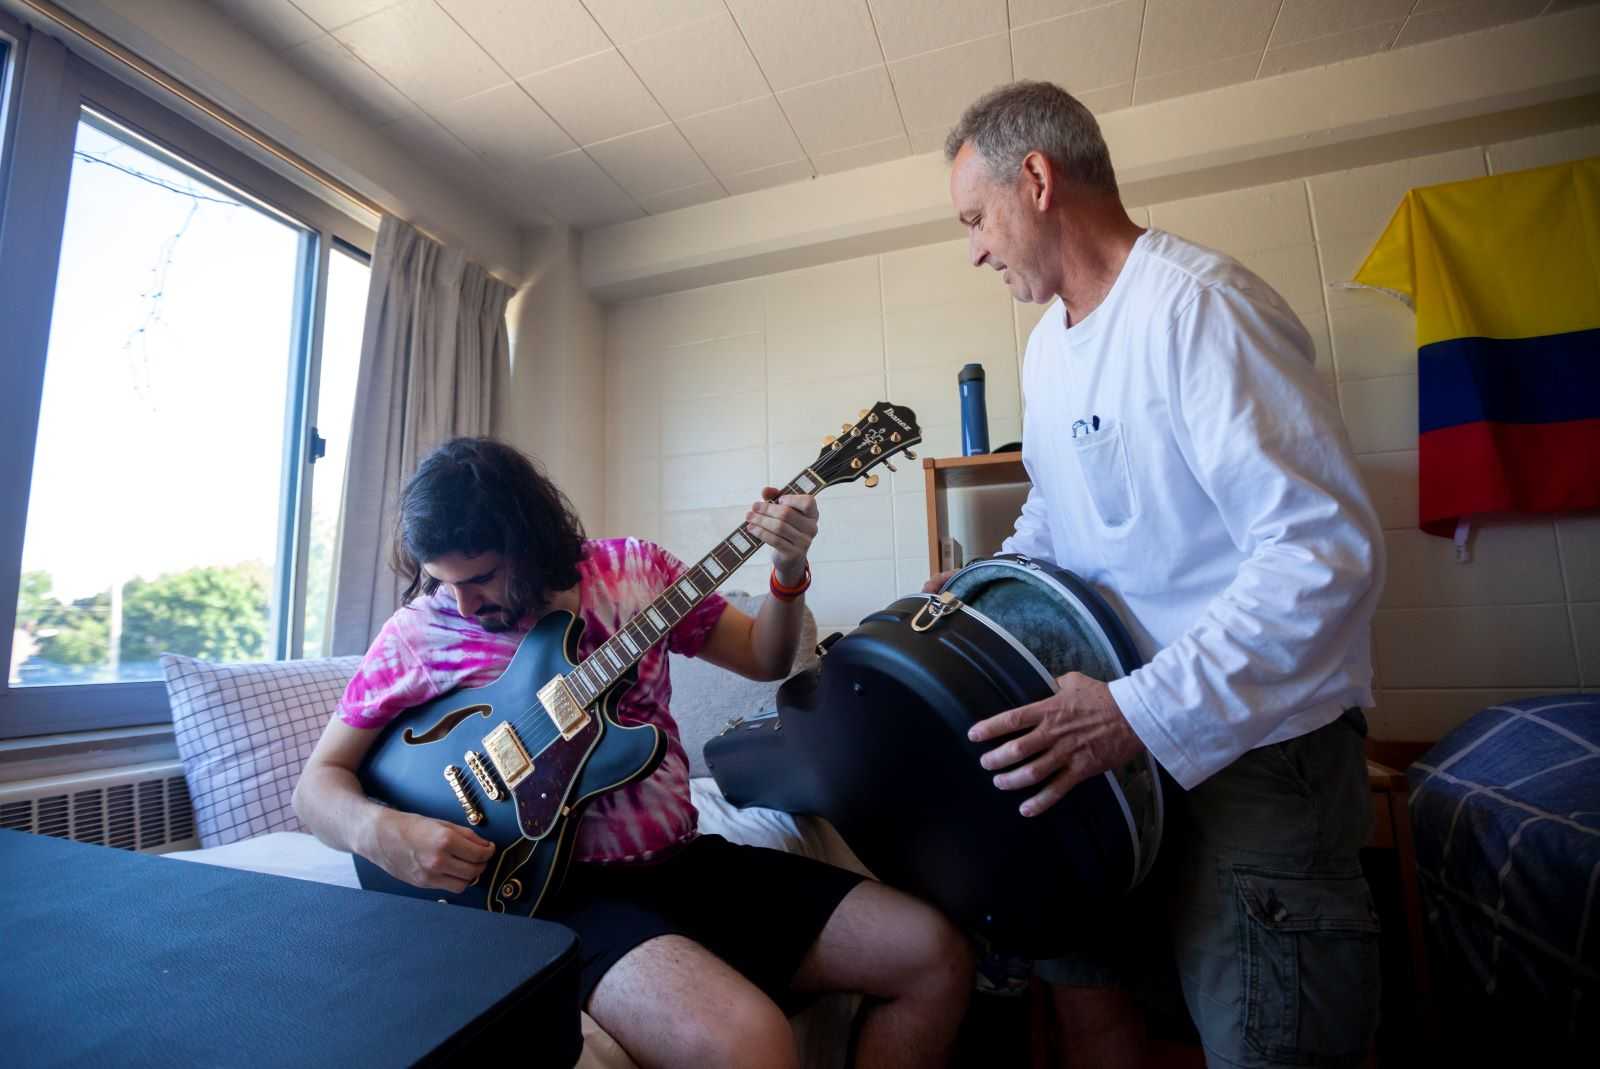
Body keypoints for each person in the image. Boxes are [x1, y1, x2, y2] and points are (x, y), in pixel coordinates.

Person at [934, 82, 1386, 1068]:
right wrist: (968, 605)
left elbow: (1323, 555)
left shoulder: (1199, 309)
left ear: (1038, 180)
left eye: (975, 217)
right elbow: (1055, 519)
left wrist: (1139, 709)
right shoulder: (1048, 352)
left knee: (1269, 1037)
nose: (973, 247)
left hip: (1260, 752)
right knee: (1088, 990)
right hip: (1119, 743)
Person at [294, 437, 973, 1069]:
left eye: (481, 578)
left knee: (934, 955)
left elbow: (765, 657)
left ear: (528, 542)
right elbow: (316, 785)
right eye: (445, 580)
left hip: (683, 862)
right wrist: (385, 832)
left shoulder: (632, 571)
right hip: (558, 896)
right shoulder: (420, 632)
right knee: (751, 1041)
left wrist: (788, 568)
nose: (462, 603)